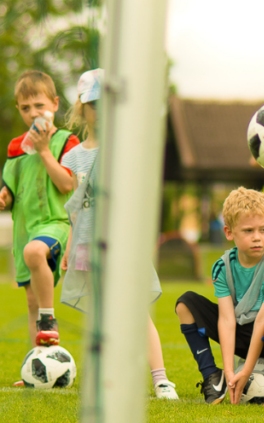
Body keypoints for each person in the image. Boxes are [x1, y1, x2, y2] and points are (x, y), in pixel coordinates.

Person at [58, 69, 177, 398]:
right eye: (95, 104)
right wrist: (69, 249)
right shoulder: (73, 156)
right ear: (82, 106)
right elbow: (76, 209)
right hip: (86, 245)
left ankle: (161, 378)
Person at [175, 187, 264, 406]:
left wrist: (246, 370)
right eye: (248, 231)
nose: (257, 237)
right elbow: (227, 320)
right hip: (245, 332)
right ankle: (212, 376)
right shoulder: (222, 267)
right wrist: (230, 371)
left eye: (263, 229)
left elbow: (261, 322)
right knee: (186, 303)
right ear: (229, 233)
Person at [0, 70, 79, 365]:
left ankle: (49, 320)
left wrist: (44, 150)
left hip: (55, 224)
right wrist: (4, 196)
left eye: (39, 105)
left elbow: (67, 185)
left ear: (55, 104)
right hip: (25, 229)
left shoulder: (66, 141)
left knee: (36, 252)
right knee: (31, 301)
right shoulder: (15, 146)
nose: (33, 113)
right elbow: (10, 186)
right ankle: (40, 364)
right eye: (25, 107)